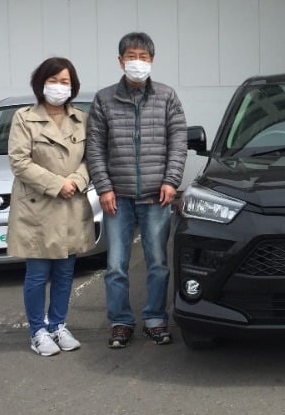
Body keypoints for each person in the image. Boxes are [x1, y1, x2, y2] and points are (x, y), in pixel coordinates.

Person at [87, 32, 187, 348]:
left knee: (157, 262)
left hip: (156, 197)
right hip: (117, 196)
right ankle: (120, 321)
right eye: (132, 56)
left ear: (152, 61)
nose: (137, 63)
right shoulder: (104, 99)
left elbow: (178, 143)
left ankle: (156, 319)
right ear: (120, 61)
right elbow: (94, 147)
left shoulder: (167, 96)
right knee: (116, 264)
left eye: (143, 57)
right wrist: (103, 188)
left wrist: (171, 181)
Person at [7, 57, 95, 357]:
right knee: (37, 273)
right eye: (54, 80)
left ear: (73, 86)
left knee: (65, 272)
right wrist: (58, 184)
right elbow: (19, 161)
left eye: (65, 81)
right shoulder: (23, 117)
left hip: (71, 205)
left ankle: (58, 324)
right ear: (40, 82)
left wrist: (77, 180)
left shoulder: (81, 118)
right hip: (38, 207)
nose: (59, 86)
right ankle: (37, 331)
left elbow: (91, 159)